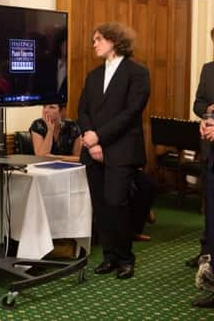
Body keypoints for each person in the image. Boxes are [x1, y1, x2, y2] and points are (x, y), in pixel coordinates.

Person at [77, 22, 150, 280]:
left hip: (121, 149)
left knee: (116, 202)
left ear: (114, 41)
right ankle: (109, 255)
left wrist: (100, 137)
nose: (94, 43)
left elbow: (131, 113)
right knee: (100, 205)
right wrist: (91, 140)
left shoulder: (137, 73)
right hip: (93, 149)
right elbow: (82, 110)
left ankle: (125, 257)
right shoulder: (93, 75)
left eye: (98, 39)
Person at [188, 27, 214, 273]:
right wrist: (207, 111)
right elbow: (197, 103)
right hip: (209, 145)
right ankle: (205, 252)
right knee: (209, 201)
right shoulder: (208, 69)